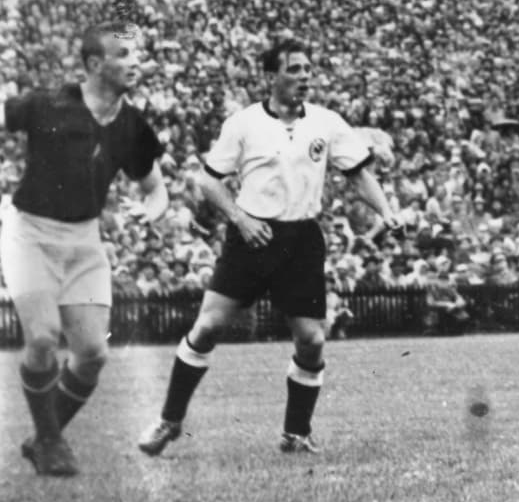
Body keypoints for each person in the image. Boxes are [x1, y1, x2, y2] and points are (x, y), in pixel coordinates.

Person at [138, 38, 401, 456]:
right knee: (207, 327)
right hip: (250, 237)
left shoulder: (327, 123)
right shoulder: (243, 123)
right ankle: (169, 420)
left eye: (308, 69)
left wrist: (387, 211)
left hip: (300, 240)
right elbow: (207, 181)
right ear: (270, 75)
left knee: (312, 341)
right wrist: (241, 219)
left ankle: (295, 433)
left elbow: (358, 173)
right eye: (294, 69)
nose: (304, 77)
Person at [3, 22, 167, 476]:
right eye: (125, 55)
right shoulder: (47, 103)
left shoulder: (132, 124)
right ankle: (52, 441)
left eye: (137, 54)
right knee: (41, 337)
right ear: (95, 64)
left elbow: (156, 188)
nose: (136, 62)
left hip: (84, 239)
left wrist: (151, 211)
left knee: (93, 353)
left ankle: (42, 438)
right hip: (30, 234)